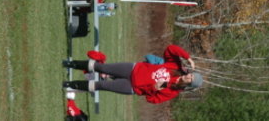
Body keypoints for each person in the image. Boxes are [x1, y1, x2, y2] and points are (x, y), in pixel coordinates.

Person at [62, 44, 203, 104]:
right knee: (101, 67)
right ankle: (70, 64)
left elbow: (152, 100)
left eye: (190, 80)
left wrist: (154, 88)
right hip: (133, 69)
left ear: (189, 85)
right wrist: (188, 58)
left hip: (132, 87)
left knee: (101, 85)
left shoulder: (172, 92)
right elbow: (170, 49)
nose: (188, 76)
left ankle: (69, 85)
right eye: (191, 75)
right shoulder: (175, 66)